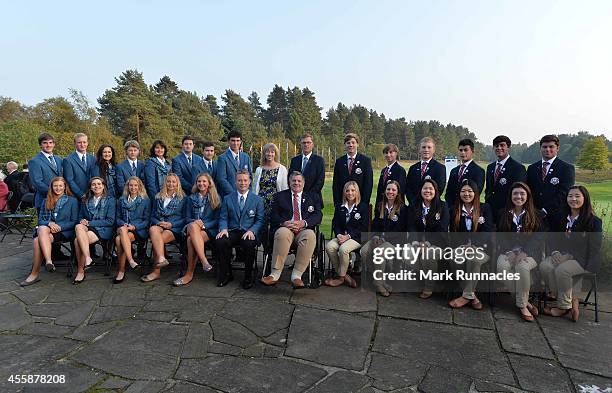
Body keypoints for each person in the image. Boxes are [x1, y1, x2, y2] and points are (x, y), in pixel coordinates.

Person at [541, 186, 603, 322]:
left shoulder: (594, 222)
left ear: (585, 199)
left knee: (563, 270)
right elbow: (552, 237)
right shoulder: (560, 217)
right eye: (570, 196)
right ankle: (571, 299)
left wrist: (569, 256)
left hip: (585, 259)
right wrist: (555, 252)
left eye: (577, 196)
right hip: (561, 255)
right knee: (545, 266)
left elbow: (594, 248)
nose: (573, 199)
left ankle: (563, 307)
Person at [261, 171, 322, 289]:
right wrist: (284, 223)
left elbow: (318, 215)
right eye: (294, 180)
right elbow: (273, 216)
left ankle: (296, 276)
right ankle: (274, 274)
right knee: (282, 233)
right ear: (289, 182)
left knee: (310, 235)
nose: (296, 183)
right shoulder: (279, 196)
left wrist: (303, 223)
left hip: (303, 229)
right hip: (286, 229)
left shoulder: (312, 197)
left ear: (303, 183)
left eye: (299, 181)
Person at [496, 182, 545, 322]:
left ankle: (522, 305)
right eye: (515, 193)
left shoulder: (537, 214)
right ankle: (525, 301)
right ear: (511, 196)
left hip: (529, 253)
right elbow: (501, 235)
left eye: (522, 194)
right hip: (507, 251)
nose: (519, 196)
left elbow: (539, 237)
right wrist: (510, 251)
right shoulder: (503, 213)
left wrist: (524, 252)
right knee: (502, 267)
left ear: (527, 196)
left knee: (522, 267)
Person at [19, 177, 79, 286]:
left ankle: (34, 274)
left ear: (65, 187)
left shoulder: (72, 201)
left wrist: (60, 226)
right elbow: (41, 219)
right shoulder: (46, 200)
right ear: (51, 187)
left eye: (60, 185)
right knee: (41, 230)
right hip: (47, 231)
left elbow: (74, 221)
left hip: (64, 232)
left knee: (37, 240)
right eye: (55, 186)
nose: (58, 188)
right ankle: (48, 261)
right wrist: (50, 223)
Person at [448, 180, 494, 310]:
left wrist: (474, 246)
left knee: (473, 259)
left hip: (481, 248)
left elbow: (488, 230)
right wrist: (462, 247)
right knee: (454, 259)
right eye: (463, 191)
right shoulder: (454, 209)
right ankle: (472, 296)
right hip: (460, 248)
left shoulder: (485, 208)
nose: (466, 194)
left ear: (476, 193)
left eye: (470, 191)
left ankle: (466, 296)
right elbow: (453, 232)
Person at [216, 170, 265, 289]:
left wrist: (252, 230)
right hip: (232, 230)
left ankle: (248, 276)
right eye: (239, 180)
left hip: (248, 231)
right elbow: (223, 217)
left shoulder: (257, 199)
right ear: (235, 182)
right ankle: (226, 273)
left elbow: (260, 220)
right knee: (221, 241)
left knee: (249, 244)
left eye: (245, 180)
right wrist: (223, 229)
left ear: (249, 182)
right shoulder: (227, 198)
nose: (242, 183)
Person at [360, 180, 408, 297]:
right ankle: (381, 280)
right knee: (364, 251)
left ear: (398, 193)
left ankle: (378, 283)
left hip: (394, 242)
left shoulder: (403, 208)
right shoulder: (380, 205)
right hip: (379, 238)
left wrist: (384, 239)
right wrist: (376, 235)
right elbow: (376, 224)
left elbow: (401, 230)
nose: (390, 192)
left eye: (393, 190)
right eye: (388, 189)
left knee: (379, 252)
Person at [174, 173, 221, 287]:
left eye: (204, 181)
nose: (201, 184)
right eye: (199, 181)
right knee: (193, 226)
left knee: (191, 240)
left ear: (209, 183)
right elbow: (187, 218)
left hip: (209, 229)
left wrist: (203, 224)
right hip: (191, 227)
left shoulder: (216, 198)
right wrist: (196, 223)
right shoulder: (191, 198)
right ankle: (204, 261)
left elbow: (218, 219)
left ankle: (189, 274)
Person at [407, 179, 450, 299]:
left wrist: (427, 243)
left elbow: (442, 228)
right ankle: (425, 278)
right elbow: (411, 226)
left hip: (437, 243)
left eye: (430, 189)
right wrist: (416, 243)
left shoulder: (443, 206)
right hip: (417, 242)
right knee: (406, 253)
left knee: (427, 255)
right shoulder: (414, 205)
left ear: (435, 191)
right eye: (425, 188)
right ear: (420, 190)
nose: (427, 191)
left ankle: (429, 285)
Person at [141, 173, 187, 283]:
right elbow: (152, 216)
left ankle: (156, 272)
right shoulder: (158, 197)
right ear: (165, 183)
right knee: (153, 229)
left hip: (174, 228)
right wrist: (159, 222)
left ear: (177, 184)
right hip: (159, 225)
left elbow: (185, 218)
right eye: (168, 181)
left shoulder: (183, 198)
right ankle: (162, 258)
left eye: (173, 182)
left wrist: (171, 224)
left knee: (158, 240)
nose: (171, 184)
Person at [325, 181, 369, 288]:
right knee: (329, 246)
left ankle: (340, 278)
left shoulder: (363, 207)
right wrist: (339, 234)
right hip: (342, 237)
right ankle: (345, 276)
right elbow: (335, 224)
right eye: (347, 190)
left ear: (357, 192)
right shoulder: (340, 206)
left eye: (353, 190)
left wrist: (348, 236)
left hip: (356, 238)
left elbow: (363, 227)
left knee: (343, 249)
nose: (350, 193)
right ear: (344, 192)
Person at [73, 177, 117, 284]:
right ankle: (88, 258)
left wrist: (89, 223)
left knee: (76, 241)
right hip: (87, 229)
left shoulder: (111, 200)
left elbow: (110, 221)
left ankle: (80, 271)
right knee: (78, 226)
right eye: (94, 184)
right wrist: (82, 220)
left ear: (103, 186)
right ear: (90, 187)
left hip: (104, 229)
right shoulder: (85, 200)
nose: (96, 186)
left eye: (99, 184)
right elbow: (80, 217)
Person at [526, 135, 575, 219]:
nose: (547, 149)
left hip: (557, 217)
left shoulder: (566, 168)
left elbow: (564, 193)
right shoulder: (532, 168)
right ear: (540, 148)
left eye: (551, 146)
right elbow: (528, 190)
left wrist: (545, 210)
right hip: (534, 216)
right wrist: (532, 210)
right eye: (544, 147)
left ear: (557, 148)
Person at [114, 176, 151, 284]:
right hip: (124, 229)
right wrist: (124, 224)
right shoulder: (121, 200)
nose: (133, 187)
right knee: (122, 229)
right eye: (131, 185)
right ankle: (130, 260)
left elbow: (146, 220)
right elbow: (118, 218)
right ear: (127, 186)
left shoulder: (145, 200)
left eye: (136, 185)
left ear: (139, 186)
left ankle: (121, 271)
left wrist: (134, 226)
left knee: (118, 240)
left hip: (138, 230)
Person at [484, 135, 527, 223]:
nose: (499, 148)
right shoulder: (490, 167)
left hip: (507, 212)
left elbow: (518, 192)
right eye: (496, 146)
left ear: (508, 147)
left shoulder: (518, 168)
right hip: (491, 211)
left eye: (502, 145)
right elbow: (489, 189)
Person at [332, 133, 373, 207]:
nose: (351, 145)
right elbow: (336, 184)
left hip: (360, 202)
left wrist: (364, 203)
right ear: (345, 145)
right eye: (348, 143)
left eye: (353, 142)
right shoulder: (339, 162)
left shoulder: (365, 161)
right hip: (343, 203)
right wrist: (337, 203)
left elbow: (368, 184)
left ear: (357, 144)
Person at [405, 137, 446, 206]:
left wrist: (427, 202)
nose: (426, 150)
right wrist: (413, 202)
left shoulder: (440, 168)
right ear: (419, 149)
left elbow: (440, 188)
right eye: (423, 147)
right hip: (414, 206)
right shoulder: (413, 168)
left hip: (432, 206)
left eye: (429, 147)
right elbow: (408, 188)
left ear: (434, 150)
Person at [288, 133, 325, 205]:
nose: (306, 145)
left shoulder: (319, 160)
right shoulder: (294, 160)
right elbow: (290, 178)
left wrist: (307, 196)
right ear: (300, 144)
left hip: (313, 199)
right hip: (296, 198)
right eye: (304, 143)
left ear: (312, 144)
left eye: (308, 142)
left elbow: (320, 181)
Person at [29, 133, 63, 210]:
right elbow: (37, 182)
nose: (48, 145)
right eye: (45, 143)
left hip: (61, 201)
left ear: (54, 144)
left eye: (50, 142)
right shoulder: (35, 161)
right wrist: (55, 193)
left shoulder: (59, 159)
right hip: (44, 200)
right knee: (45, 222)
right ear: (40, 145)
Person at [444, 139, 485, 205]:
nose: (463, 152)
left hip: (468, 208)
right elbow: (448, 192)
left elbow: (477, 192)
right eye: (461, 150)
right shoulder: (454, 170)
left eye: (466, 150)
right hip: (452, 208)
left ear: (472, 151)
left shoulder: (479, 171)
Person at [253, 143, 289, 215]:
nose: (269, 154)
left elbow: (285, 188)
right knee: (262, 224)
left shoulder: (282, 169)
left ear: (275, 154)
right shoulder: (259, 169)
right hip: (261, 203)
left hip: (276, 203)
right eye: (267, 152)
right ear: (264, 153)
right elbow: (255, 188)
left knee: (275, 224)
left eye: (272, 152)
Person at [216, 131, 252, 197]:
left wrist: (248, 194)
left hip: (245, 197)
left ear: (241, 142)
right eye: (233, 140)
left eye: (238, 140)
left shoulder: (246, 157)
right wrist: (234, 194)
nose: (235, 143)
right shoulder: (222, 158)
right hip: (229, 196)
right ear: (228, 141)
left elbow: (250, 177)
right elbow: (221, 179)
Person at [62, 133, 95, 199]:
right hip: (76, 196)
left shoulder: (93, 159)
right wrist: (81, 194)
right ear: (75, 144)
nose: (82, 145)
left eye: (84, 142)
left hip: (92, 195)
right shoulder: (68, 160)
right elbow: (69, 180)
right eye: (79, 142)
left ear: (87, 143)